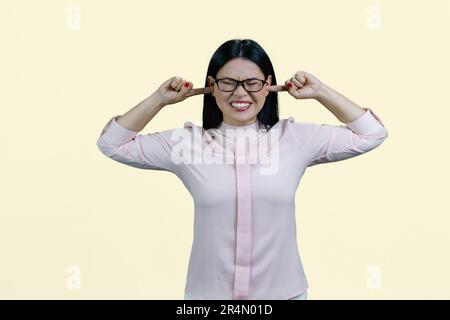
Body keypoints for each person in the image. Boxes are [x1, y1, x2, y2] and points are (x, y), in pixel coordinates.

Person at [96, 39, 388, 300]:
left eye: (252, 82)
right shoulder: (185, 143)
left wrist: (320, 91)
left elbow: (372, 134)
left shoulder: (296, 138)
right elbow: (112, 144)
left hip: (285, 295)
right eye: (227, 83)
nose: (240, 93)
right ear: (211, 85)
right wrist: (159, 99)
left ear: (269, 84)